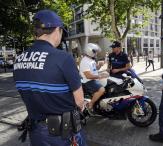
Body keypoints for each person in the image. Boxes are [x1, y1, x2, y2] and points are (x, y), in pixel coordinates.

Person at [13, 10, 87, 146]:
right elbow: (79, 101)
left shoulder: (18, 60)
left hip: (36, 133)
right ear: (57, 29)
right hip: (64, 134)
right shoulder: (64, 58)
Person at [79, 43, 108, 114]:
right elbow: (88, 76)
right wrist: (100, 76)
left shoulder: (91, 60)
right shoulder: (85, 61)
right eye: (95, 52)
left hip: (94, 79)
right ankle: (91, 104)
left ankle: (100, 103)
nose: (96, 53)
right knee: (102, 90)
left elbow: (95, 70)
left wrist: (100, 66)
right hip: (88, 81)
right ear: (90, 51)